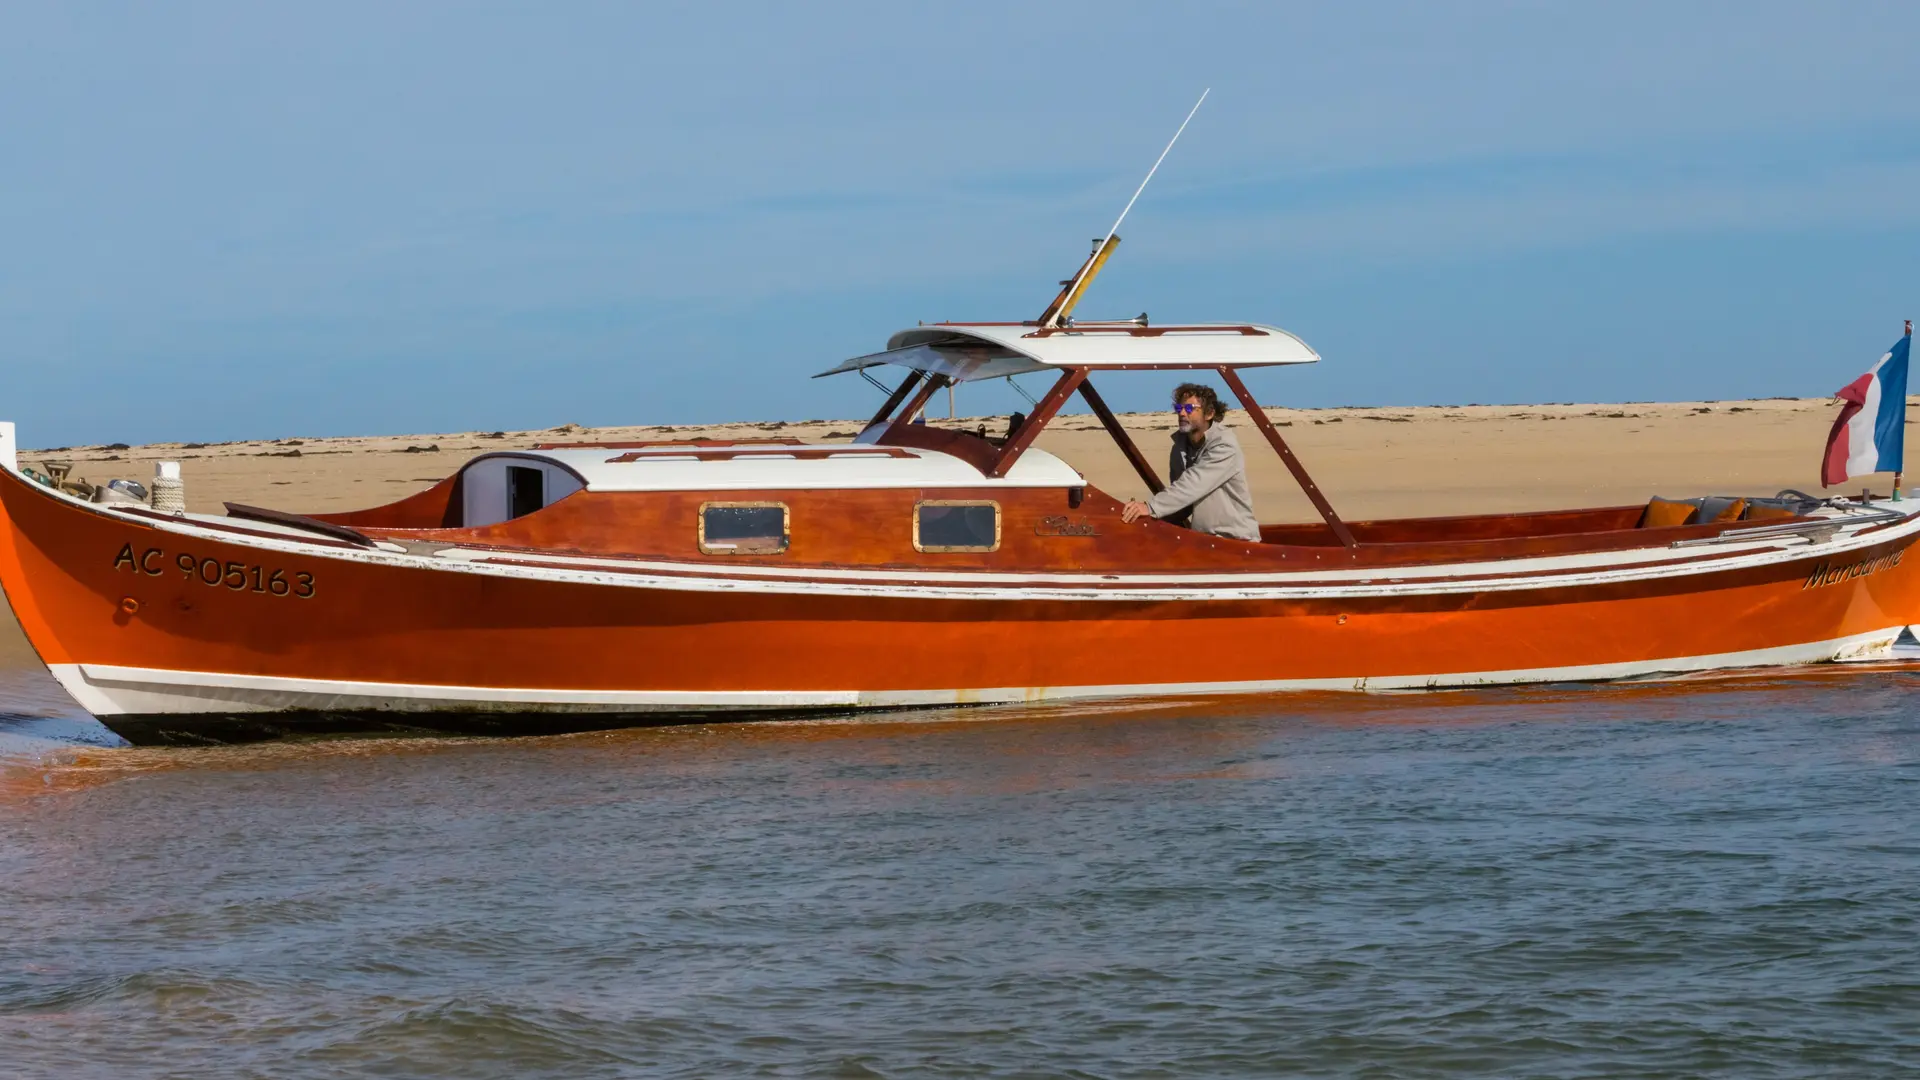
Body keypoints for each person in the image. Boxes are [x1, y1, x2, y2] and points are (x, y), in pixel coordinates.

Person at [1120, 383, 1261, 541]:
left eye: (1189, 409)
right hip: (1204, 541)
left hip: (1236, 541)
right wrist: (1144, 523)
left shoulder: (1224, 446)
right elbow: (1182, 503)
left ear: (1209, 414)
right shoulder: (1179, 449)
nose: (1181, 414)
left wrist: (1150, 507)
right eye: (1178, 408)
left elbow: (1192, 485)